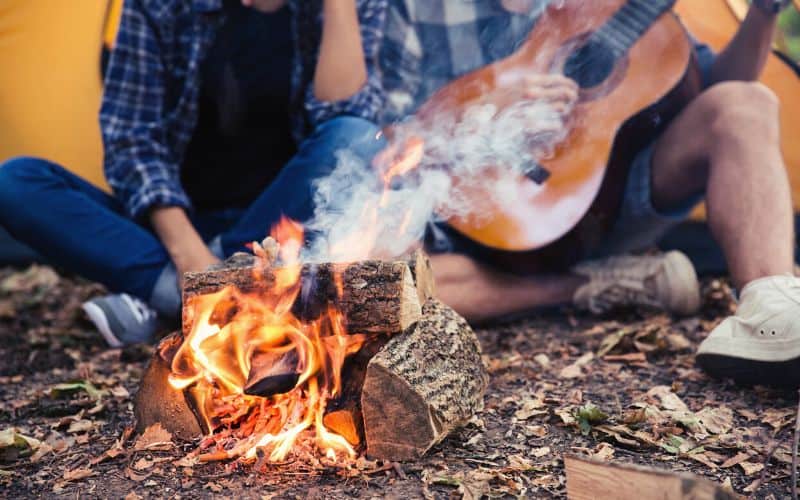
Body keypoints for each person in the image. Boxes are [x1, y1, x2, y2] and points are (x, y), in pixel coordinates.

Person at [305, 0, 798, 386]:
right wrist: (483, 101)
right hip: (478, 214)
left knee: (746, 103)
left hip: (618, 192)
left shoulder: (610, 5)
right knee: (375, 274)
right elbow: (381, 140)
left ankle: (770, 304)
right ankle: (594, 284)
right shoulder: (421, 7)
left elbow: (715, 84)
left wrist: (764, 10)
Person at [0, 0, 384, 347]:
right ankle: (203, 294)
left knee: (357, 138)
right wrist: (190, 257)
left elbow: (349, 129)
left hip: (281, 232)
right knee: (17, 182)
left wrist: (338, 6)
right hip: (172, 227)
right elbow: (132, 140)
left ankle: (169, 299)